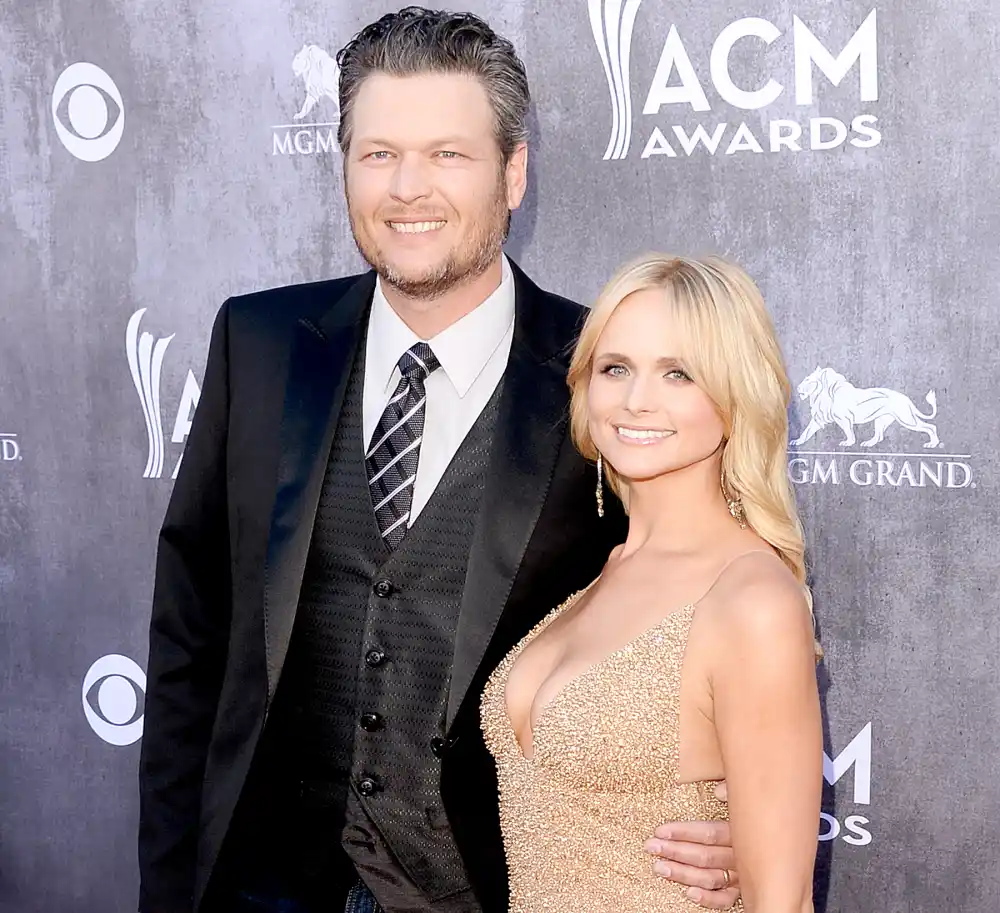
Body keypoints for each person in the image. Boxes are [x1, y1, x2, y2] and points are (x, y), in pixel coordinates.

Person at [138, 9, 744, 913]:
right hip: (263, 887)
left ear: (513, 173)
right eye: (378, 153)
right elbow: (190, 641)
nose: (406, 188)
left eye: (447, 155)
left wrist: (738, 809)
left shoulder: (604, 374)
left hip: (492, 888)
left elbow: (716, 603)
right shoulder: (256, 344)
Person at [481, 253, 824, 912]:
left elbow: (782, 900)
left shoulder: (751, 599)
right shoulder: (602, 567)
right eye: (616, 368)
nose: (637, 399)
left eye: (679, 373)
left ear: (735, 396)